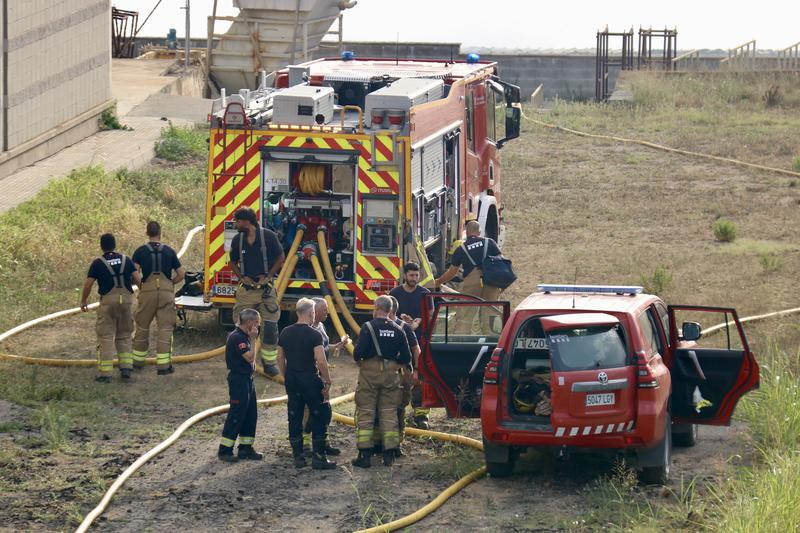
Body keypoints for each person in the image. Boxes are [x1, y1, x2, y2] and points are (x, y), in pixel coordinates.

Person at [351, 295, 412, 468]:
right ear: (391, 310)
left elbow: (357, 353)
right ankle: (389, 455)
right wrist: (392, 365)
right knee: (389, 412)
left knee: (366, 412)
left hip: (369, 375)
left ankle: (364, 455)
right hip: (391, 376)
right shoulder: (399, 329)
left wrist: (366, 363)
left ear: (377, 307)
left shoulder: (368, 327)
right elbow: (406, 358)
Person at [277, 298, 337, 470]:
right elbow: (321, 360)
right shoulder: (314, 334)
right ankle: (319, 458)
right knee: (320, 415)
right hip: (310, 379)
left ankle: (298, 457)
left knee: (294, 417)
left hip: (292, 380)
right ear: (311, 313)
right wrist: (327, 380)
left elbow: (280, 357)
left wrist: (285, 375)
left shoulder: (285, 332)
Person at [228, 207, 285, 376]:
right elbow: (232, 262)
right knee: (241, 326)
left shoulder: (268, 236)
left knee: (270, 327)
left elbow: (281, 257)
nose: (235, 224)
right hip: (246, 291)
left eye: (237, 221)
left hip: (266, 291)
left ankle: (269, 363)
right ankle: (243, 360)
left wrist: (268, 276)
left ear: (247, 221)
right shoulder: (237, 240)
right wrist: (241, 277)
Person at [80, 233, 141, 383]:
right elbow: (138, 279)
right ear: (115, 245)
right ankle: (126, 368)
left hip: (108, 302)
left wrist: (83, 300)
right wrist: (142, 295)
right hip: (126, 301)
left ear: (102, 246)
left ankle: (105, 374)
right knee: (125, 334)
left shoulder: (98, 263)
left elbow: (88, 284)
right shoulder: (126, 260)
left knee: (106, 336)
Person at [131, 221, 185, 375]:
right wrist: (170, 284)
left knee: (142, 326)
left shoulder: (140, 251)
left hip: (147, 291)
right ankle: (163, 367)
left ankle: (138, 363)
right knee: (165, 328)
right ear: (160, 232)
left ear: (147, 233)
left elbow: (134, 273)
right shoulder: (169, 251)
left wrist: (142, 286)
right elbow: (181, 274)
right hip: (166, 291)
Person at [300, 298, 350, 455]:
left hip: (321, 376)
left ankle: (324, 442)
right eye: (324, 309)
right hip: (311, 376)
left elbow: (323, 348)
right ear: (313, 312)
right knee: (308, 411)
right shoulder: (306, 330)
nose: (327, 312)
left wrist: (338, 345)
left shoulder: (321, 327)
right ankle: (305, 445)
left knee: (324, 410)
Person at [372, 295, 420, 457]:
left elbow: (415, 350)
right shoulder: (398, 328)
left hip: (392, 374)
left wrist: (417, 371)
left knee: (392, 408)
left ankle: (388, 444)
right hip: (395, 374)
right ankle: (386, 444)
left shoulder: (400, 327)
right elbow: (414, 351)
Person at [434, 220, 503, 333]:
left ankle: (461, 342)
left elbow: (452, 272)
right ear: (479, 231)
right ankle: (492, 340)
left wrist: (438, 281)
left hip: (472, 283)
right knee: (491, 312)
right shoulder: (489, 242)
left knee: (465, 315)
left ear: (467, 233)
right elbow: (501, 261)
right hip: (490, 281)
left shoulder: (461, 249)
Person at [389, 262, 431, 429]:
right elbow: (388, 314)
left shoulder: (425, 293)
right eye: (411, 275)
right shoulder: (394, 293)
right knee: (398, 379)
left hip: (420, 342)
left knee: (420, 378)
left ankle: (421, 415)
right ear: (404, 275)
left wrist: (417, 322)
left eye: (417, 275)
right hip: (398, 344)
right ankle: (396, 412)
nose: (414, 278)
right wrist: (403, 321)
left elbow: (430, 314)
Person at [218, 308, 263, 462]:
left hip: (247, 379)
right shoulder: (238, 337)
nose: (258, 327)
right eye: (257, 323)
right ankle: (225, 450)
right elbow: (250, 358)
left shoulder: (244, 336)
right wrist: (253, 339)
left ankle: (245, 448)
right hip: (239, 380)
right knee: (237, 414)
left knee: (250, 414)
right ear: (249, 322)